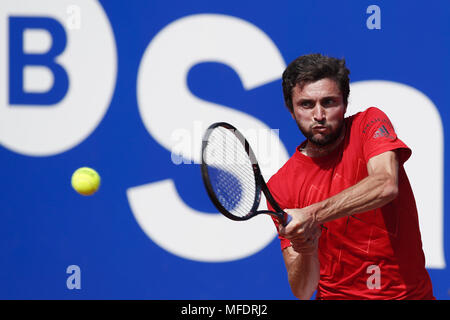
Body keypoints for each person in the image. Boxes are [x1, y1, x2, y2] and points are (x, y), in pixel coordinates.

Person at [267, 53, 434, 300]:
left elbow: (385, 184)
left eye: (329, 102)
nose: (319, 115)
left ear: (345, 104)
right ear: (291, 110)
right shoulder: (279, 186)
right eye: (306, 104)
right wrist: (306, 250)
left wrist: (312, 214)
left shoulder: (369, 123)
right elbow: (303, 290)